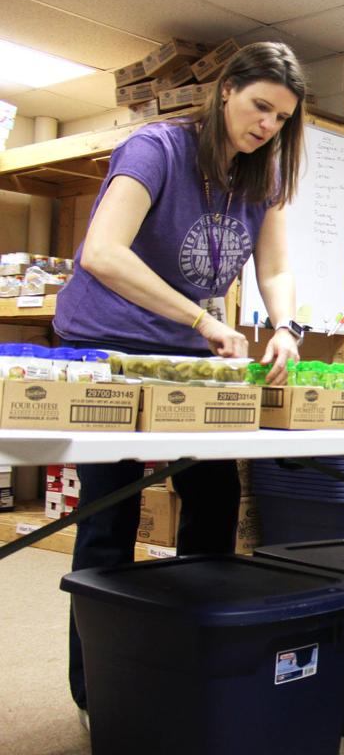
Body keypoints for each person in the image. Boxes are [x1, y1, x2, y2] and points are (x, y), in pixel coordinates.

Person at [54, 42, 308, 717]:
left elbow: (274, 266)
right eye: (259, 107)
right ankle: (100, 688)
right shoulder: (156, 149)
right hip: (108, 348)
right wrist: (202, 317)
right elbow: (103, 252)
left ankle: (195, 657)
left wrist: (286, 326)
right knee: (109, 513)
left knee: (215, 495)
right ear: (225, 91)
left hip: (189, 354)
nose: (266, 127)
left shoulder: (261, 173)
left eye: (281, 119)